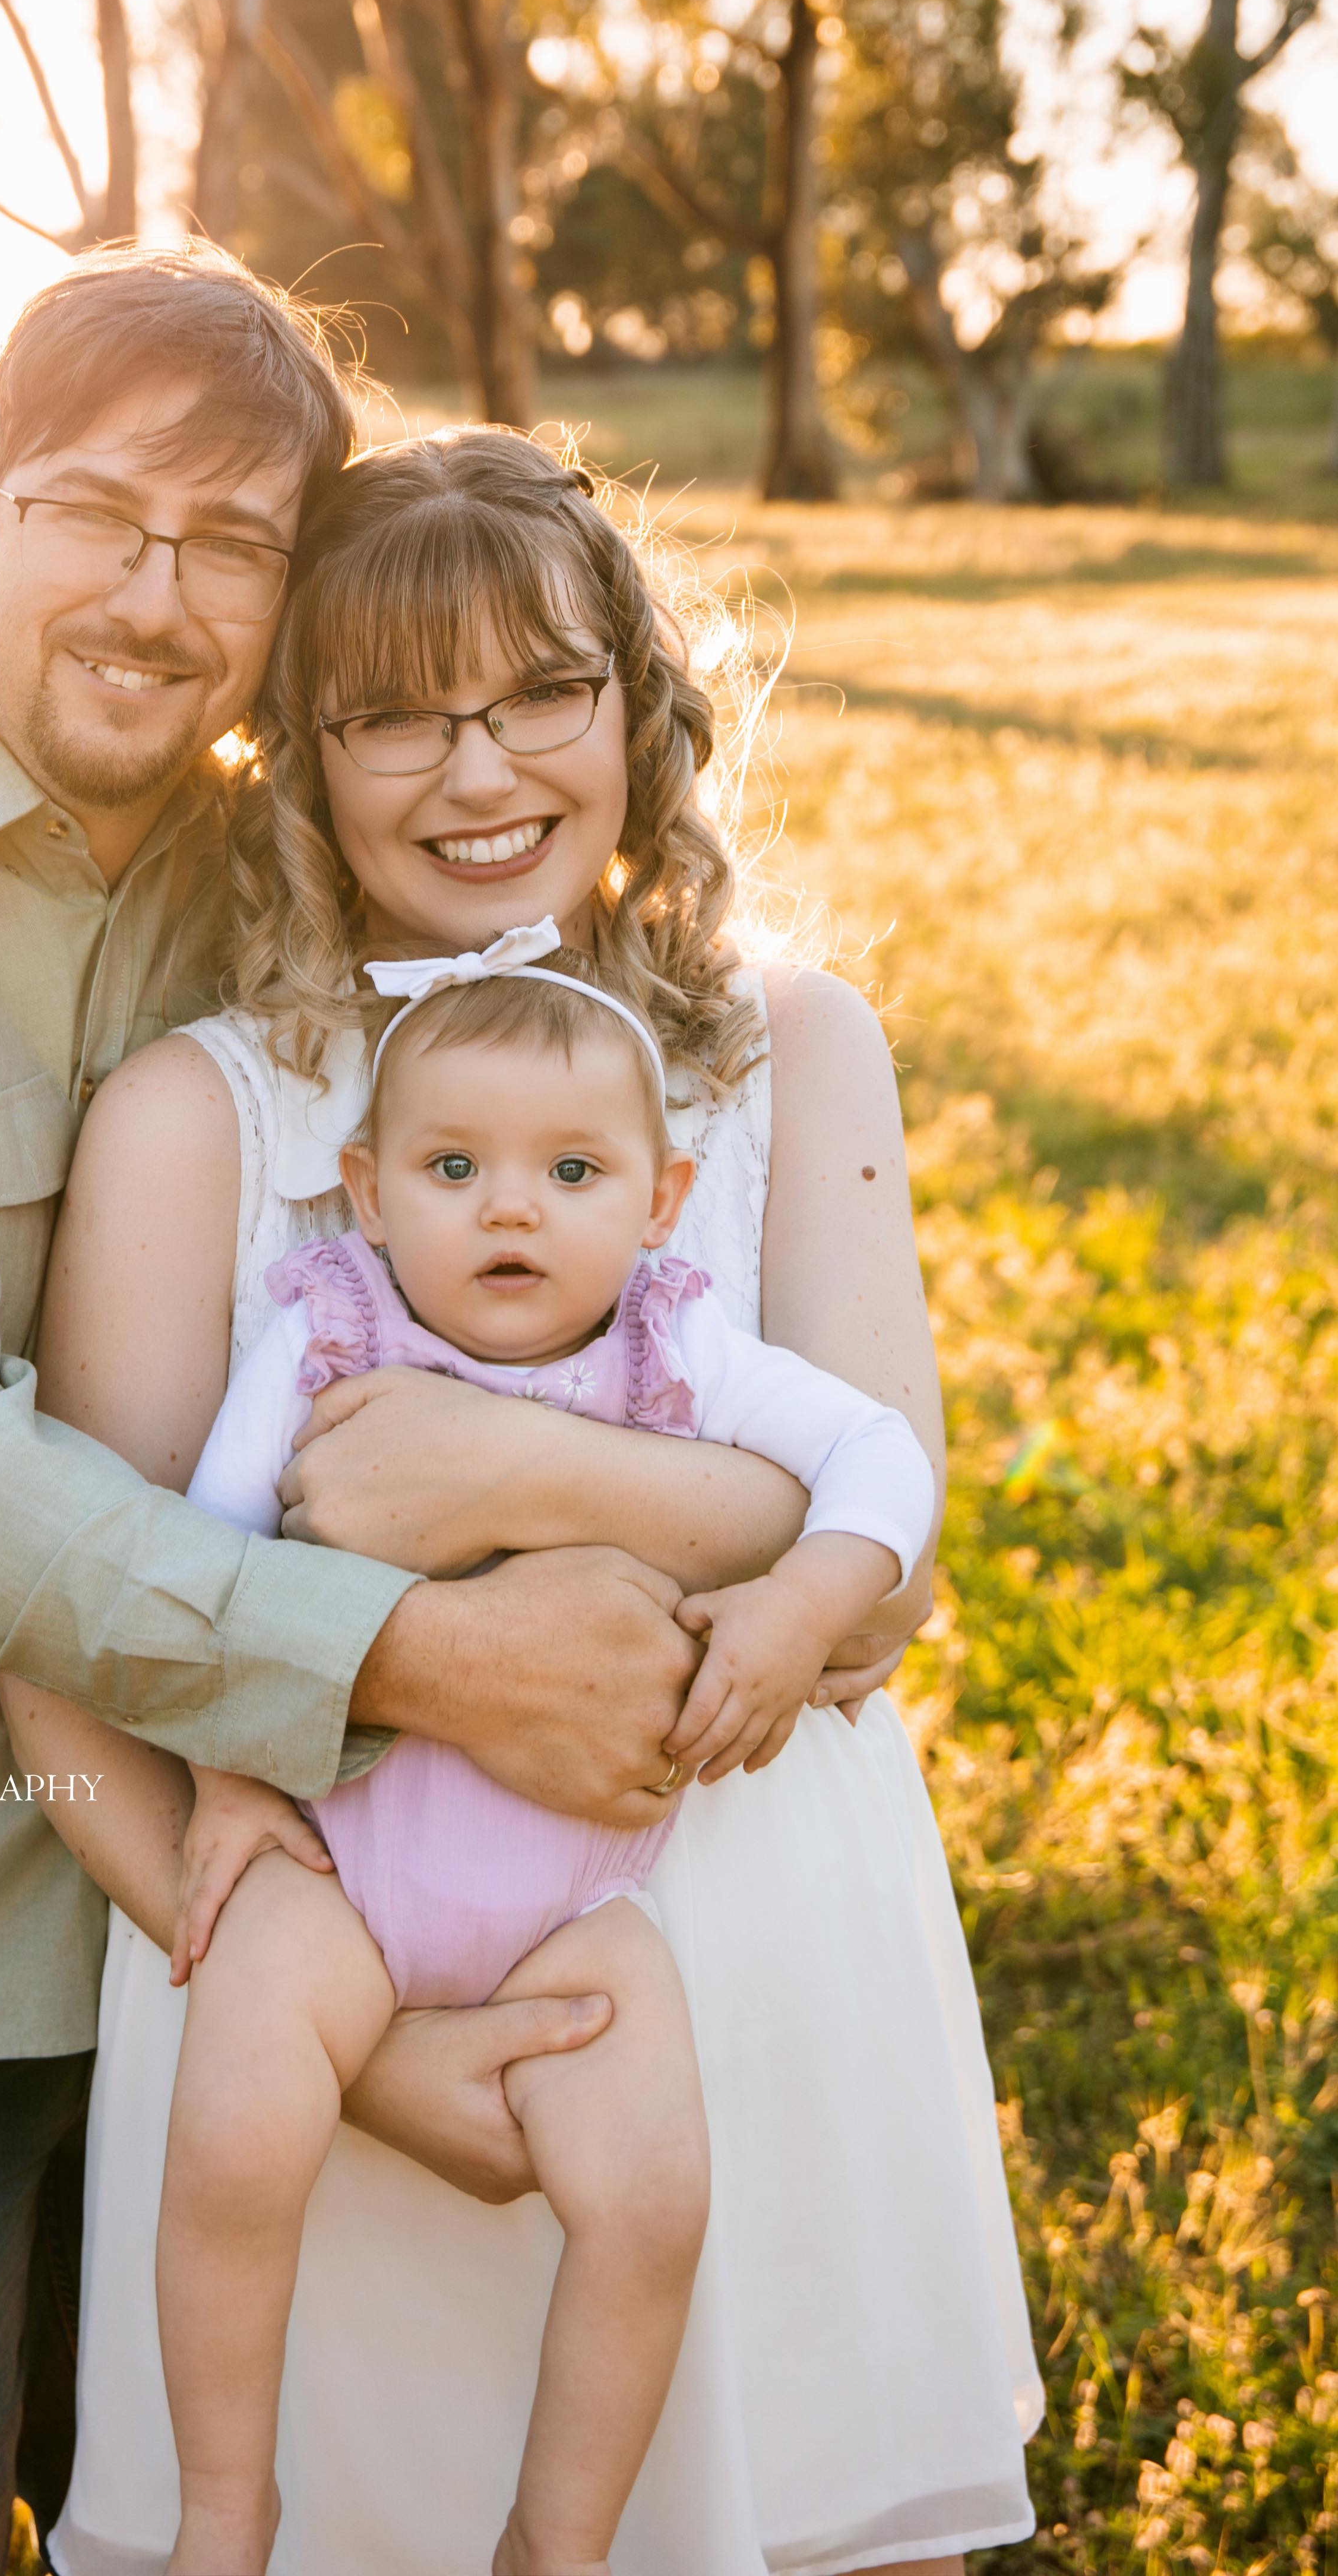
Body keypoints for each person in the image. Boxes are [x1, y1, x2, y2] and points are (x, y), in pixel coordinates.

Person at [0, 252, 719, 2576]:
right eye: (99, 515)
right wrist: (414, 1662)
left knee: (183, 2512)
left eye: (232, 543)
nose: (156, 593)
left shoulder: (254, 878)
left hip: (234, 1886)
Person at [14, 427, 1042, 2576]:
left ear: (636, 710)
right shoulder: (201, 1114)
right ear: (295, 754)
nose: (478, 771)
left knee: (794, 2512)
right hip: (306, 1986)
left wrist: (494, 1463)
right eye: (395, 713)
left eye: (542, 694)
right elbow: (81, 1627)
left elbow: (882, 1570)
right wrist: (352, 2046)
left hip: (736, 1941)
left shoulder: (786, 1055)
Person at [141, 937, 938, 2576]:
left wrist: (799, 1605)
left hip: (575, 1908)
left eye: (571, 1172)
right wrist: (226, 1779)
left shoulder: (678, 1349)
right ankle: (225, 2508)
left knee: (651, 2202)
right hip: (340, 1870)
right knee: (232, 2139)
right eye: (454, 1168)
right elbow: (198, 1559)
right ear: (365, 1190)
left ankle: (554, 2542)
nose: (511, 1210)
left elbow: (878, 1457)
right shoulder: (331, 1336)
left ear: (660, 1202)